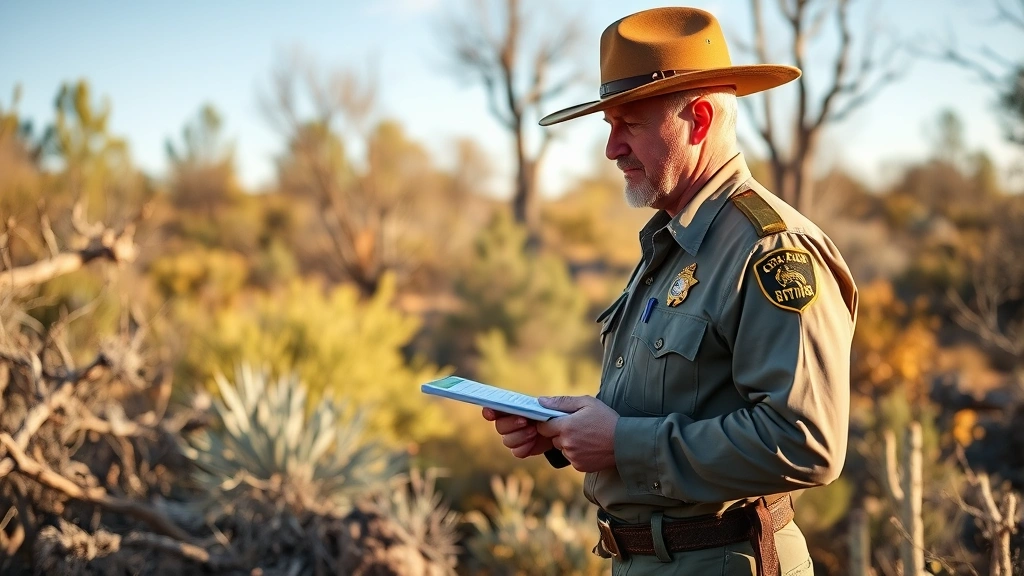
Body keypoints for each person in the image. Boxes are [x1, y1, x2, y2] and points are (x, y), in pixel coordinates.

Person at [481, 6, 858, 576]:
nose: (612, 149)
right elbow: (678, 398)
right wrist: (571, 429)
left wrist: (624, 443)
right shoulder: (676, 241)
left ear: (699, 119)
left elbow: (806, 442)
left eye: (628, 124)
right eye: (609, 128)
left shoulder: (771, 251)